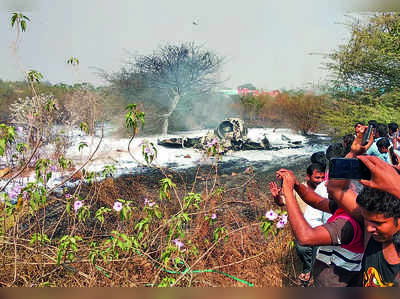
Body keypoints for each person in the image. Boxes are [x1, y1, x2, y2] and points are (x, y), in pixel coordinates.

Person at [276, 166, 364, 287]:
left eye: (331, 181)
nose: (326, 184)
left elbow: (305, 237)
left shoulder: (347, 224)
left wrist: (288, 192)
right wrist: (296, 184)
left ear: (350, 188)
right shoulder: (348, 208)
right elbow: (316, 200)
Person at [269, 163, 325, 286]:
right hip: (304, 230)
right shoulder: (299, 189)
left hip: (321, 230)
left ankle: (310, 274)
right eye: (317, 178)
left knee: (319, 254)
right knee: (302, 249)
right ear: (308, 177)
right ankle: (308, 269)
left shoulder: (325, 189)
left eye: (322, 177)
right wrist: (277, 197)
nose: (320, 181)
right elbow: (282, 202)